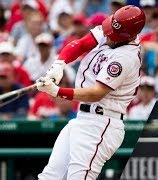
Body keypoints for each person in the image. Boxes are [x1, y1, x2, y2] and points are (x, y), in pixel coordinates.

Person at [35, 5, 145, 179]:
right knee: (49, 177)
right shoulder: (114, 28)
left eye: (113, 34)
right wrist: (59, 64)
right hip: (82, 118)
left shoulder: (126, 57)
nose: (108, 35)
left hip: (101, 124)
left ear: (129, 36)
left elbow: (96, 93)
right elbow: (80, 44)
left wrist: (57, 91)